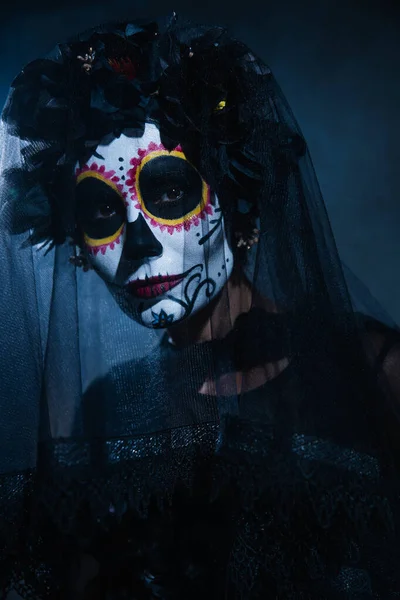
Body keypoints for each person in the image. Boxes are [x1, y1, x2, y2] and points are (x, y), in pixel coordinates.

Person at [1, 14, 400, 599]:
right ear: (77, 244)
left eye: (166, 191)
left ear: (236, 202)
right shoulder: (107, 408)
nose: (138, 244)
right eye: (102, 212)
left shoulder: (373, 370)